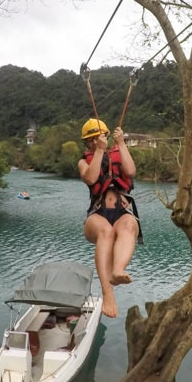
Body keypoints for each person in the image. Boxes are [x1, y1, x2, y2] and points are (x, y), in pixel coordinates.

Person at [78, 118, 141, 318]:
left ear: (105, 136)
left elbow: (130, 171)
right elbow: (90, 178)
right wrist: (99, 151)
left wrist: (121, 143)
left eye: (97, 138)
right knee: (106, 231)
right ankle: (108, 293)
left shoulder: (119, 152)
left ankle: (118, 270)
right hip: (97, 214)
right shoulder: (83, 161)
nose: (94, 143)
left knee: (129, 226)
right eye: (90, 141)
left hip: (122, 211)